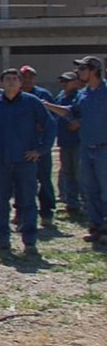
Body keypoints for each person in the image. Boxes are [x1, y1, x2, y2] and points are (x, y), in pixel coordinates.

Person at [0, 68, 55, 255]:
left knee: (28, 202)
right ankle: (2, 239)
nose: (12, 82)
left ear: (21, 83)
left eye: (15, 79)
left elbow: (50, 125)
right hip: (0, 162)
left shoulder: (32, 103)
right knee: (1, 202)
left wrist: (40, 150)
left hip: (25, 162)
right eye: (8, 79)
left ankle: (29, 241)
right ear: (2, 83)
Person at [44, 56, 107, 246]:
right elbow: (72, 112)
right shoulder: (84, 93)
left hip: (104, 148)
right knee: (90, 189)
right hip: (86, 148)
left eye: (82, 69)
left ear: (93, 70)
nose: (79, 73)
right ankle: (96, 226)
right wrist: (48, 106)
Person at [20, 65, 58, 227]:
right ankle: (21, 212)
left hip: (40, 145)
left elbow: (52, 119)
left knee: (43, 179)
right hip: (21, 146)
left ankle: (46, 212)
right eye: (24, 76)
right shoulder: (16, 95)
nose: (27, 79)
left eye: (30, 76)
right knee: (22, 182)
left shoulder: (43, 95)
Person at [54, 71, 83, 216]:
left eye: (68, 81)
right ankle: (72, 203)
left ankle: (85, 202)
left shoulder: (79, 96)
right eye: (62, 81)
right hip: (64, 141)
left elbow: (78, 115)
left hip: (78, 141)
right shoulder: (60, 97)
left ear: (76, 82)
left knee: (80, 173)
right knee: (68, 172)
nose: (64, 84)